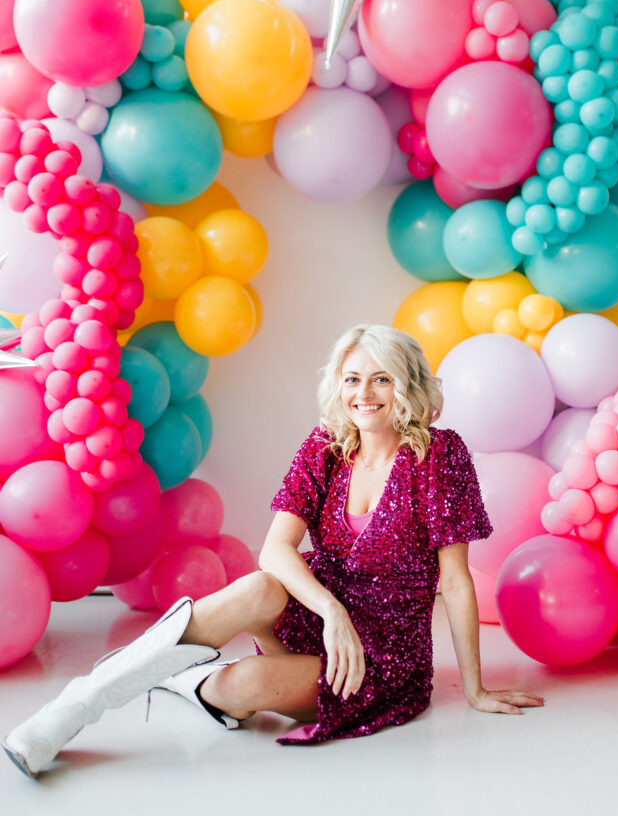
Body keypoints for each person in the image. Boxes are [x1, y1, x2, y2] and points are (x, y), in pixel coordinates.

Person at [4, 324, 543, 776]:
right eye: (353, 378)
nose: (365, 393)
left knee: (249, 683)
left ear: (406, 386)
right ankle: (73, 707)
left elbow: (454, 580)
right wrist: (331, 609)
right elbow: (275, 552)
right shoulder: (326, 445)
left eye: (382, 379)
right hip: (319, 612)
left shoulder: (439, 454)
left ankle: (182, 677)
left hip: (383, 654)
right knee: (261, 585)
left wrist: (475, 689)